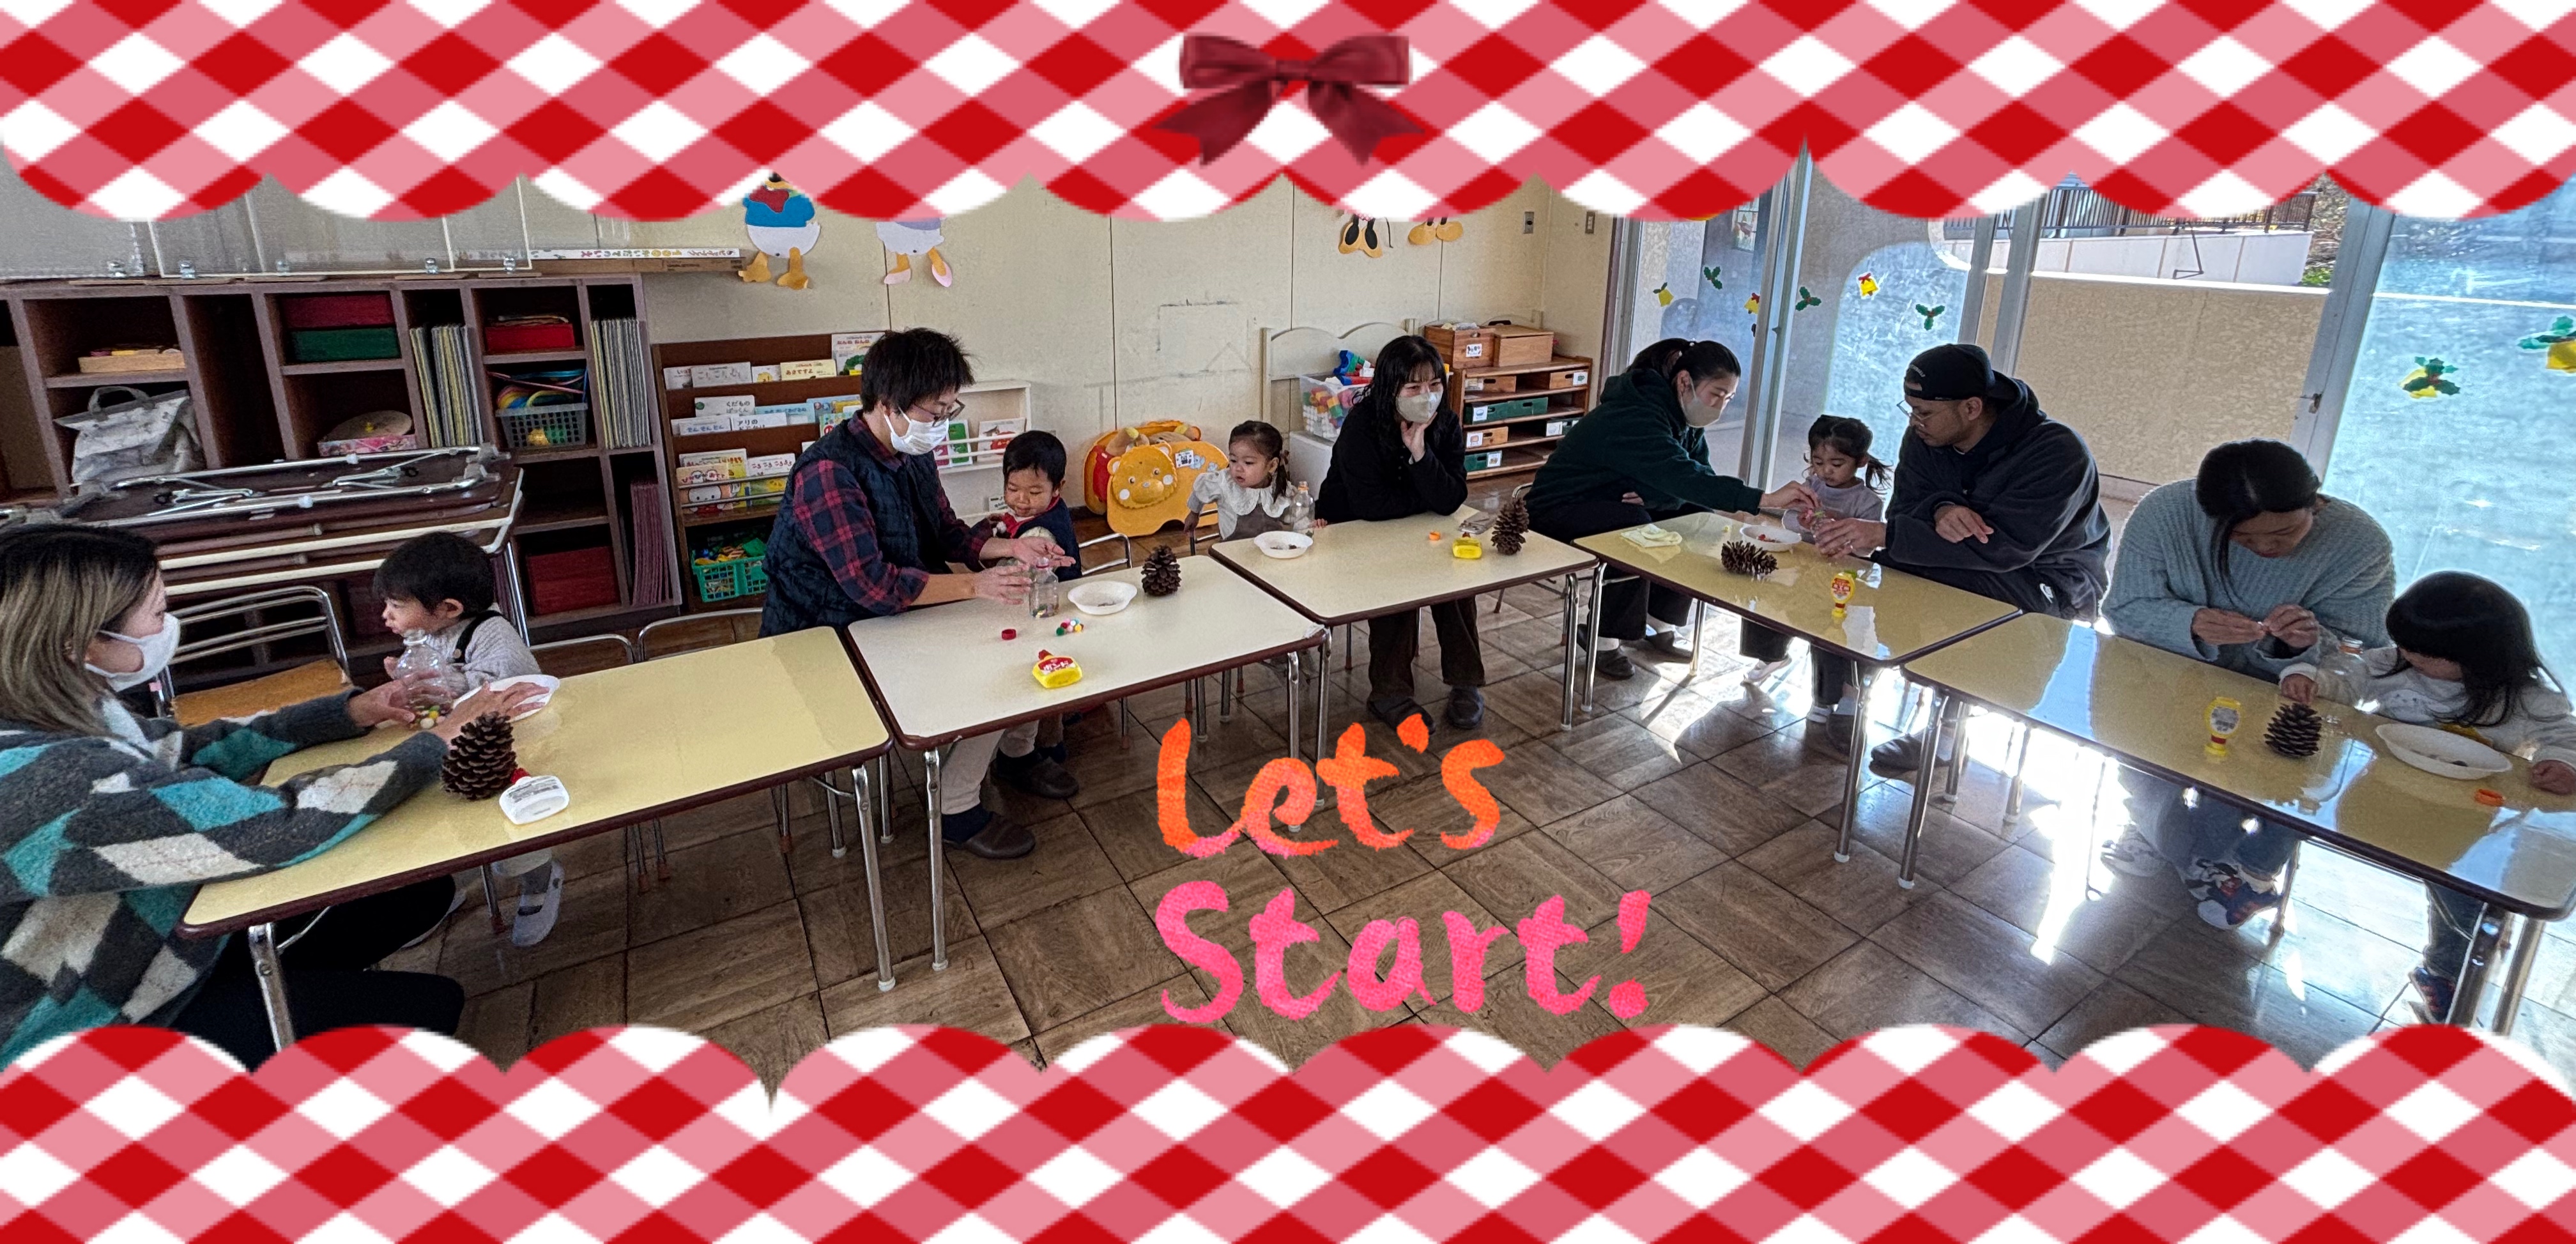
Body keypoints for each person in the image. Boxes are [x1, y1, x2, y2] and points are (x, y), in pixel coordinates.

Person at [0, 523, 535, 1069]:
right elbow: (273, 826)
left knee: (411, 895)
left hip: (163, 938)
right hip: (88, 1025)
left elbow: (184, 748)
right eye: (158, 615)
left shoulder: (56, 708)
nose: (168, 627)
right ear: (80, 644)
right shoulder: (46, 779)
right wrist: (434, 745)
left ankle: (298, 1014)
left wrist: (350, 711)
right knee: (427, 1011)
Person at [760, 329, 1078, 859]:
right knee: (992, 671)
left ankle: (1015, 755)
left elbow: (946, 532)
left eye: (951, 409)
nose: (942, 422)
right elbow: (872, 584)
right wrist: (975, 584)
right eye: (936, 411)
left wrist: (1012, 548)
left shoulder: (911, 451)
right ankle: (955, 809)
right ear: (887, 404)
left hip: (890, 615)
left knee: (1024, 640)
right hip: (825, 636)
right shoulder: (828, 473)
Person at [2097, 439, 2394, 926]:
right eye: (2242, 537)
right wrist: (2189, 623)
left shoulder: (2360, 543)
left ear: (2316, 503)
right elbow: (2124, 608)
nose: (2267, 547)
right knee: (2141, 753)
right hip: (2167, 673)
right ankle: (2153, 830)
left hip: (2278, 695)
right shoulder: (2167, 512)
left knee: (2249, 774)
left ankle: (2217, 854)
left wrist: (2299, 646)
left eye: (2285, 531)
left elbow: (2362, 652)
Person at [2278, 573, 2575, 1020]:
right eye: (2405, 645)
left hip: (2466, 812)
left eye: (2425, 653)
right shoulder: (2397, 664)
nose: (2410, 656)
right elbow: (2348, 676)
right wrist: (2310, 679)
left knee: (2460, 892)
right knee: (2291, 802)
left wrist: (2563, 763)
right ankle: (2253, 876)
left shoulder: (2526, 698)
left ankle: (2446, 969)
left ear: (2481, 657)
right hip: (2378, 791)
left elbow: (2564, 734)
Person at [1812, 343, 2111, 773]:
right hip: (1963, 559)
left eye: (1924, 412)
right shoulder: (1926, 436)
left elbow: (2007, 546)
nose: (1914, 422)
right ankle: (1853, 691)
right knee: (1872, 573)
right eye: (1910, 409)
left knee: (1954, 593)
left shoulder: (2057, 452)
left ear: (1972, 408)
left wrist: (1896, 531)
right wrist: (1941, 507)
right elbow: (1904, 506)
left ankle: (1947, 732)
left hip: (2048, 578)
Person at [1526, 339, 1816, 681]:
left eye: (1729, 398)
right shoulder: (1635, 414)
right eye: (1716, 394)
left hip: (1614, 500)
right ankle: (1602, 637)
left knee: (1694, 512)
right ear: (1684, 382)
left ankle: (1660, 620)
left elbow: (1697, 477)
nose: (1720, 406)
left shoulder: (1684, 418)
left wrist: (1659, 495)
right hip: (1557, 507)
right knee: (1633, 528)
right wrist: (1765, 499)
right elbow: (1682, 476)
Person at [375, 532, 559, 948]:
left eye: (396, 606)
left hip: (508, 747)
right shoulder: (432, 631)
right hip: (455, 744)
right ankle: (441, 890)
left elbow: (506, 687)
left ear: (449, 608)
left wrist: (436, 684)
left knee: (510, 821)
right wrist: (409, 680)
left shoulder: (493, 634)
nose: (386, 615)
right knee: (446, 814)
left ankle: (540, 880)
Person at [1315, 335, 1486, 731]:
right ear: (1391, 388)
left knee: (1457, 584)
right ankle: (1389, 693)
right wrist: (1427, 493)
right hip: (1352, 531)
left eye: (1435, 385)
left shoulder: (1446, 423)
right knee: (1398, 586)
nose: (1427, 395)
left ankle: (1465, 682)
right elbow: (1371, 507)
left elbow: (1452, 498)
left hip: (1417, 528)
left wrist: (1421, 454)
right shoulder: (1362, 426)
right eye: (1413, 387)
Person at [1739, 416, 1890, 741]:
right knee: (1778, 604)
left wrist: (1842, 529)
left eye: (1836, 464)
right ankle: (1774, 656)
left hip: (1841, 579)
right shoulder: (1813, 486)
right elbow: (1790, 521)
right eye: (1818, 462)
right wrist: (1804, 522)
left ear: (1860, 462)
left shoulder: (1867, 502)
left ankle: (1827, 697)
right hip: (1804, 567)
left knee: (1829, 634)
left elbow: (1867, 550)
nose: (1825, 471)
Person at [984, 431, 1081, 767]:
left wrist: (988, 559)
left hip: (1046, 608)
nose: (1022, 500)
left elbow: (1013, 576)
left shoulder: (1041, 531)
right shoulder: (1039, 513)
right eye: (1013, 489)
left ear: (1058, 488)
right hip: (1048, 603)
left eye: (1034, 492)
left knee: (1042, 669)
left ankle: (1049, 744)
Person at [1188, 420, 1314, 541]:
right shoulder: (1224, 483)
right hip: (1232, 552)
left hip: (1271, 551)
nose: (1238, 468)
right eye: (1233, 460)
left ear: (1272, 465)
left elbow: (1297, 517)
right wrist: (1194, 514)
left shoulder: (1280, 486)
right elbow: (1202, 488)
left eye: (1248, 463)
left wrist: (1311, 525)